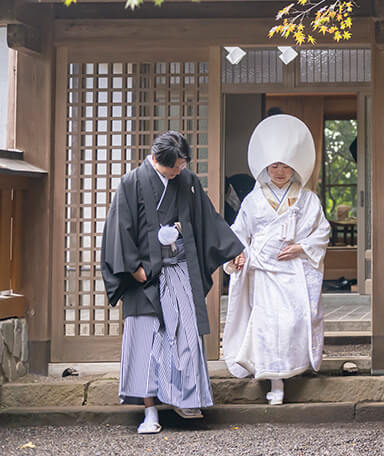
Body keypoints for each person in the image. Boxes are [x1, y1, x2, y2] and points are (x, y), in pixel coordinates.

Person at [101, 131, 244, 434]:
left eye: (182, 165)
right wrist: (133, 268)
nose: (179, 171)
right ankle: (149, 411)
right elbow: (119, 227)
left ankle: (186, 399)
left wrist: (234, 249)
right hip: (144, 276)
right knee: (146, 343)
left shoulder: (188, 181)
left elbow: (208, 218)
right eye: (174, 167)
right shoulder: (132, 182)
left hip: (178, 269)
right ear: (157, 160)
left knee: (185, 338)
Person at [221, 114, 330, 405]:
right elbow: (239, 233)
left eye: (284, 165)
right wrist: (239, 254)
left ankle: (294, 367)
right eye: (274, 165)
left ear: (293, 166)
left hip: (292, 270)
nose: (279, 171)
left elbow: (322, 232)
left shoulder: (307, 200)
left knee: (294, 320)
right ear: (266, 167)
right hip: (263, 270)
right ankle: (275, 380)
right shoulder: (253, 201)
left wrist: (302, 248)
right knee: (268, 324)